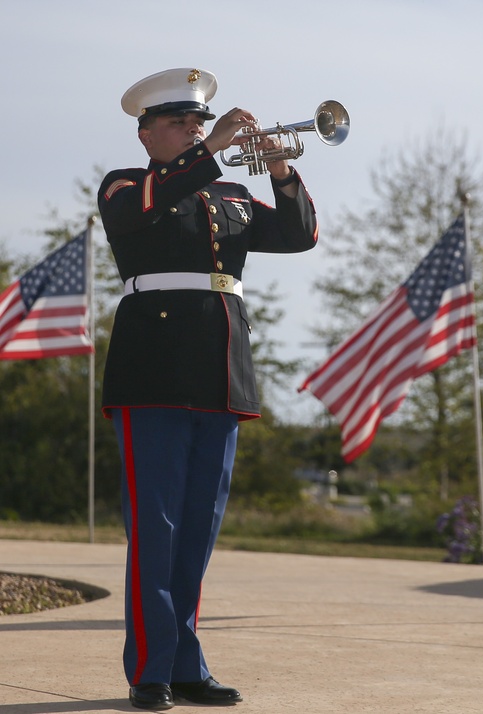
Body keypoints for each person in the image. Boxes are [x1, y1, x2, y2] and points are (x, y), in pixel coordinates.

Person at [98, 68, 319, 711]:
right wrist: (215, 146)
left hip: (221, 375)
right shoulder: (126, 186)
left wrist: (279, 169)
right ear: (147, 134)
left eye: (199, 121)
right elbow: (150, 206)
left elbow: (300, 234)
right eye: (181, 123)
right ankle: (150, 670)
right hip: (153, 374)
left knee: (197, 531)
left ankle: (186, 663)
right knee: (156, 528)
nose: (195, 129)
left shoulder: (227, 197)